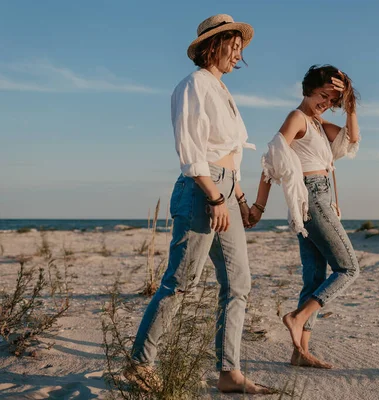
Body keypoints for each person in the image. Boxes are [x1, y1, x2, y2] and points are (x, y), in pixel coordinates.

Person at [125, 14, 271, 394]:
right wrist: (215, 196)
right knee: (180, 282)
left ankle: (229, 372)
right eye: (232, 46)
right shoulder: (192, 86)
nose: (238, 54)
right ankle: (140, 364)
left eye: (241, 48)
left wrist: (240, 200)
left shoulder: (222, 90)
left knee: (238, 283)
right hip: (201, 191)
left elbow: (229, 155)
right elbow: (191, 152)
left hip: (224, 190)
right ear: (212, 45)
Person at [250, 65, 361, 369]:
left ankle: (300, 352)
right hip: (311, 199)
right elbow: (272, 159)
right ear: (308, 89)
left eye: (332, 100)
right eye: (323, 95)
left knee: (314, 278)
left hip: (316, 199)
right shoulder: (297, 118)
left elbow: (352, 139)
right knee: (349, 269)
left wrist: (349, 104)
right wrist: (259, 206)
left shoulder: (317, 123)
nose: (326, 103)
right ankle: (297, 318)